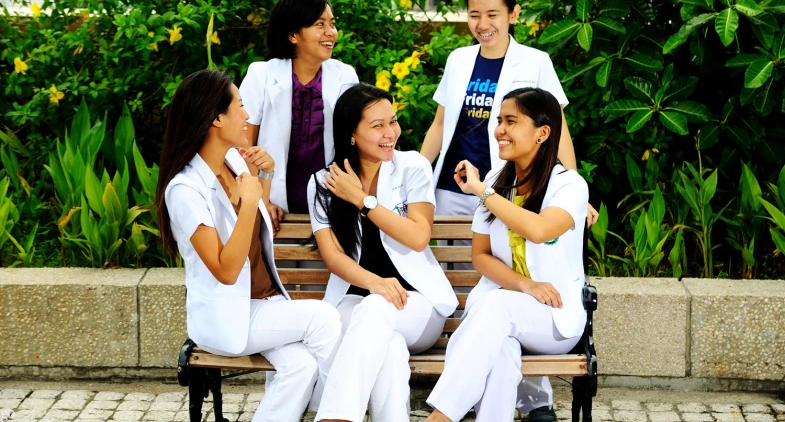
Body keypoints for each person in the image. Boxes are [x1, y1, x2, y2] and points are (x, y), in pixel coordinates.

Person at [419, 0, 594, 417]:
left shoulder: (535, 60)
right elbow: (442, 124)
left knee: (502, 299)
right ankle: (479, 397)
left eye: (493, 13)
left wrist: (567, 187)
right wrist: (417, 179)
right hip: (460, 186)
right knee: (484, 292)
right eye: (474, 14)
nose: (483, 23)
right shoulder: (459, 60)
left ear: (513, 15)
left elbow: (557, 129)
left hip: (507, 185)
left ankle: (532, 400)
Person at [155, 69, 342, 422]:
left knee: (299, 367)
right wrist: (248, 200)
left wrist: (264, 179)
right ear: (215, 118)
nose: (247, 114)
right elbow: (226, 270)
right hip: (229, 316)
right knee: (325, 318)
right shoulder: (184, 190)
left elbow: (258, 223)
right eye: (239, 106)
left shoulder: (235, 161)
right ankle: (336, 416)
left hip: (262, 303)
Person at [424, 87, 589, 422]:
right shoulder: (495, 182)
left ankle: (439, 418)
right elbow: (481, 256)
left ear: (543, 132)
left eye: (511, 121)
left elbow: (540, 230)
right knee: (500, 353)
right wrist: (523, 284)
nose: (499, 129)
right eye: (499, 120)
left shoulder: (569, 185)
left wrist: (483, 193)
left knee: (495, 306)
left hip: (555, 318)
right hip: (501, 314)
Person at [307, 83, 458, 422]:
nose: (391, 133)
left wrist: (362, 200)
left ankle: (336, 418)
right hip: (353, 302)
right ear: (351, 134)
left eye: (393, 121)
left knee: (377, 307)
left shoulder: (413, 167)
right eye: (377, 126)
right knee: (387, 349)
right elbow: (334, 258)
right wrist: (376, 283)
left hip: (418, 304)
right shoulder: (322, 182)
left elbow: (419, 236)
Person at [239, 0, 359, 230]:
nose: (330, 32)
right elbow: (242, 146)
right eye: (319, 24)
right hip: (274, 208)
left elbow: (357, 143)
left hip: (329, 207)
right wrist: (262, 199)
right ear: (293, 34)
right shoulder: (261, 75)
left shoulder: (345, 75)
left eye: (332, 24)